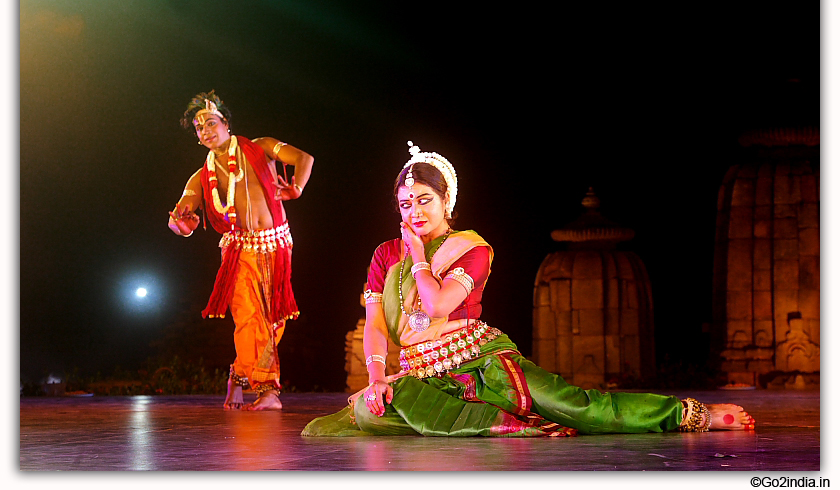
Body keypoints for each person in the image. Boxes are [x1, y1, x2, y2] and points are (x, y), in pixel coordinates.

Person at [302, 141, 754, 436]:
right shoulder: (385, 255)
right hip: (424, 373)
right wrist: (378, 377)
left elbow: (439, 302)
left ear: (446, 201)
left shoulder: (473, 249)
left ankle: (688, 414)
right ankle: (489, 423)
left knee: (574, 405)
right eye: (405, 204)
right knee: (368, 408)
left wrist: (418, 254)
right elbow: (377, 323)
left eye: (425, 200)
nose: (415, 211)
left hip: (481, 361)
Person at [168, 90, 314, 411]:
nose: (205, 130)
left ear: (226, 123)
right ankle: (268, 390)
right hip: (238, 251)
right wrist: (183, 224)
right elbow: (181, 215)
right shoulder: (200, 176)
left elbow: (305, 159)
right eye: (198, 127)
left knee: (273, 321)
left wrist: (296, 188)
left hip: (277, 245)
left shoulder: (260, 147)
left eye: (210, 122)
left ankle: (237, 377)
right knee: (249, 318)